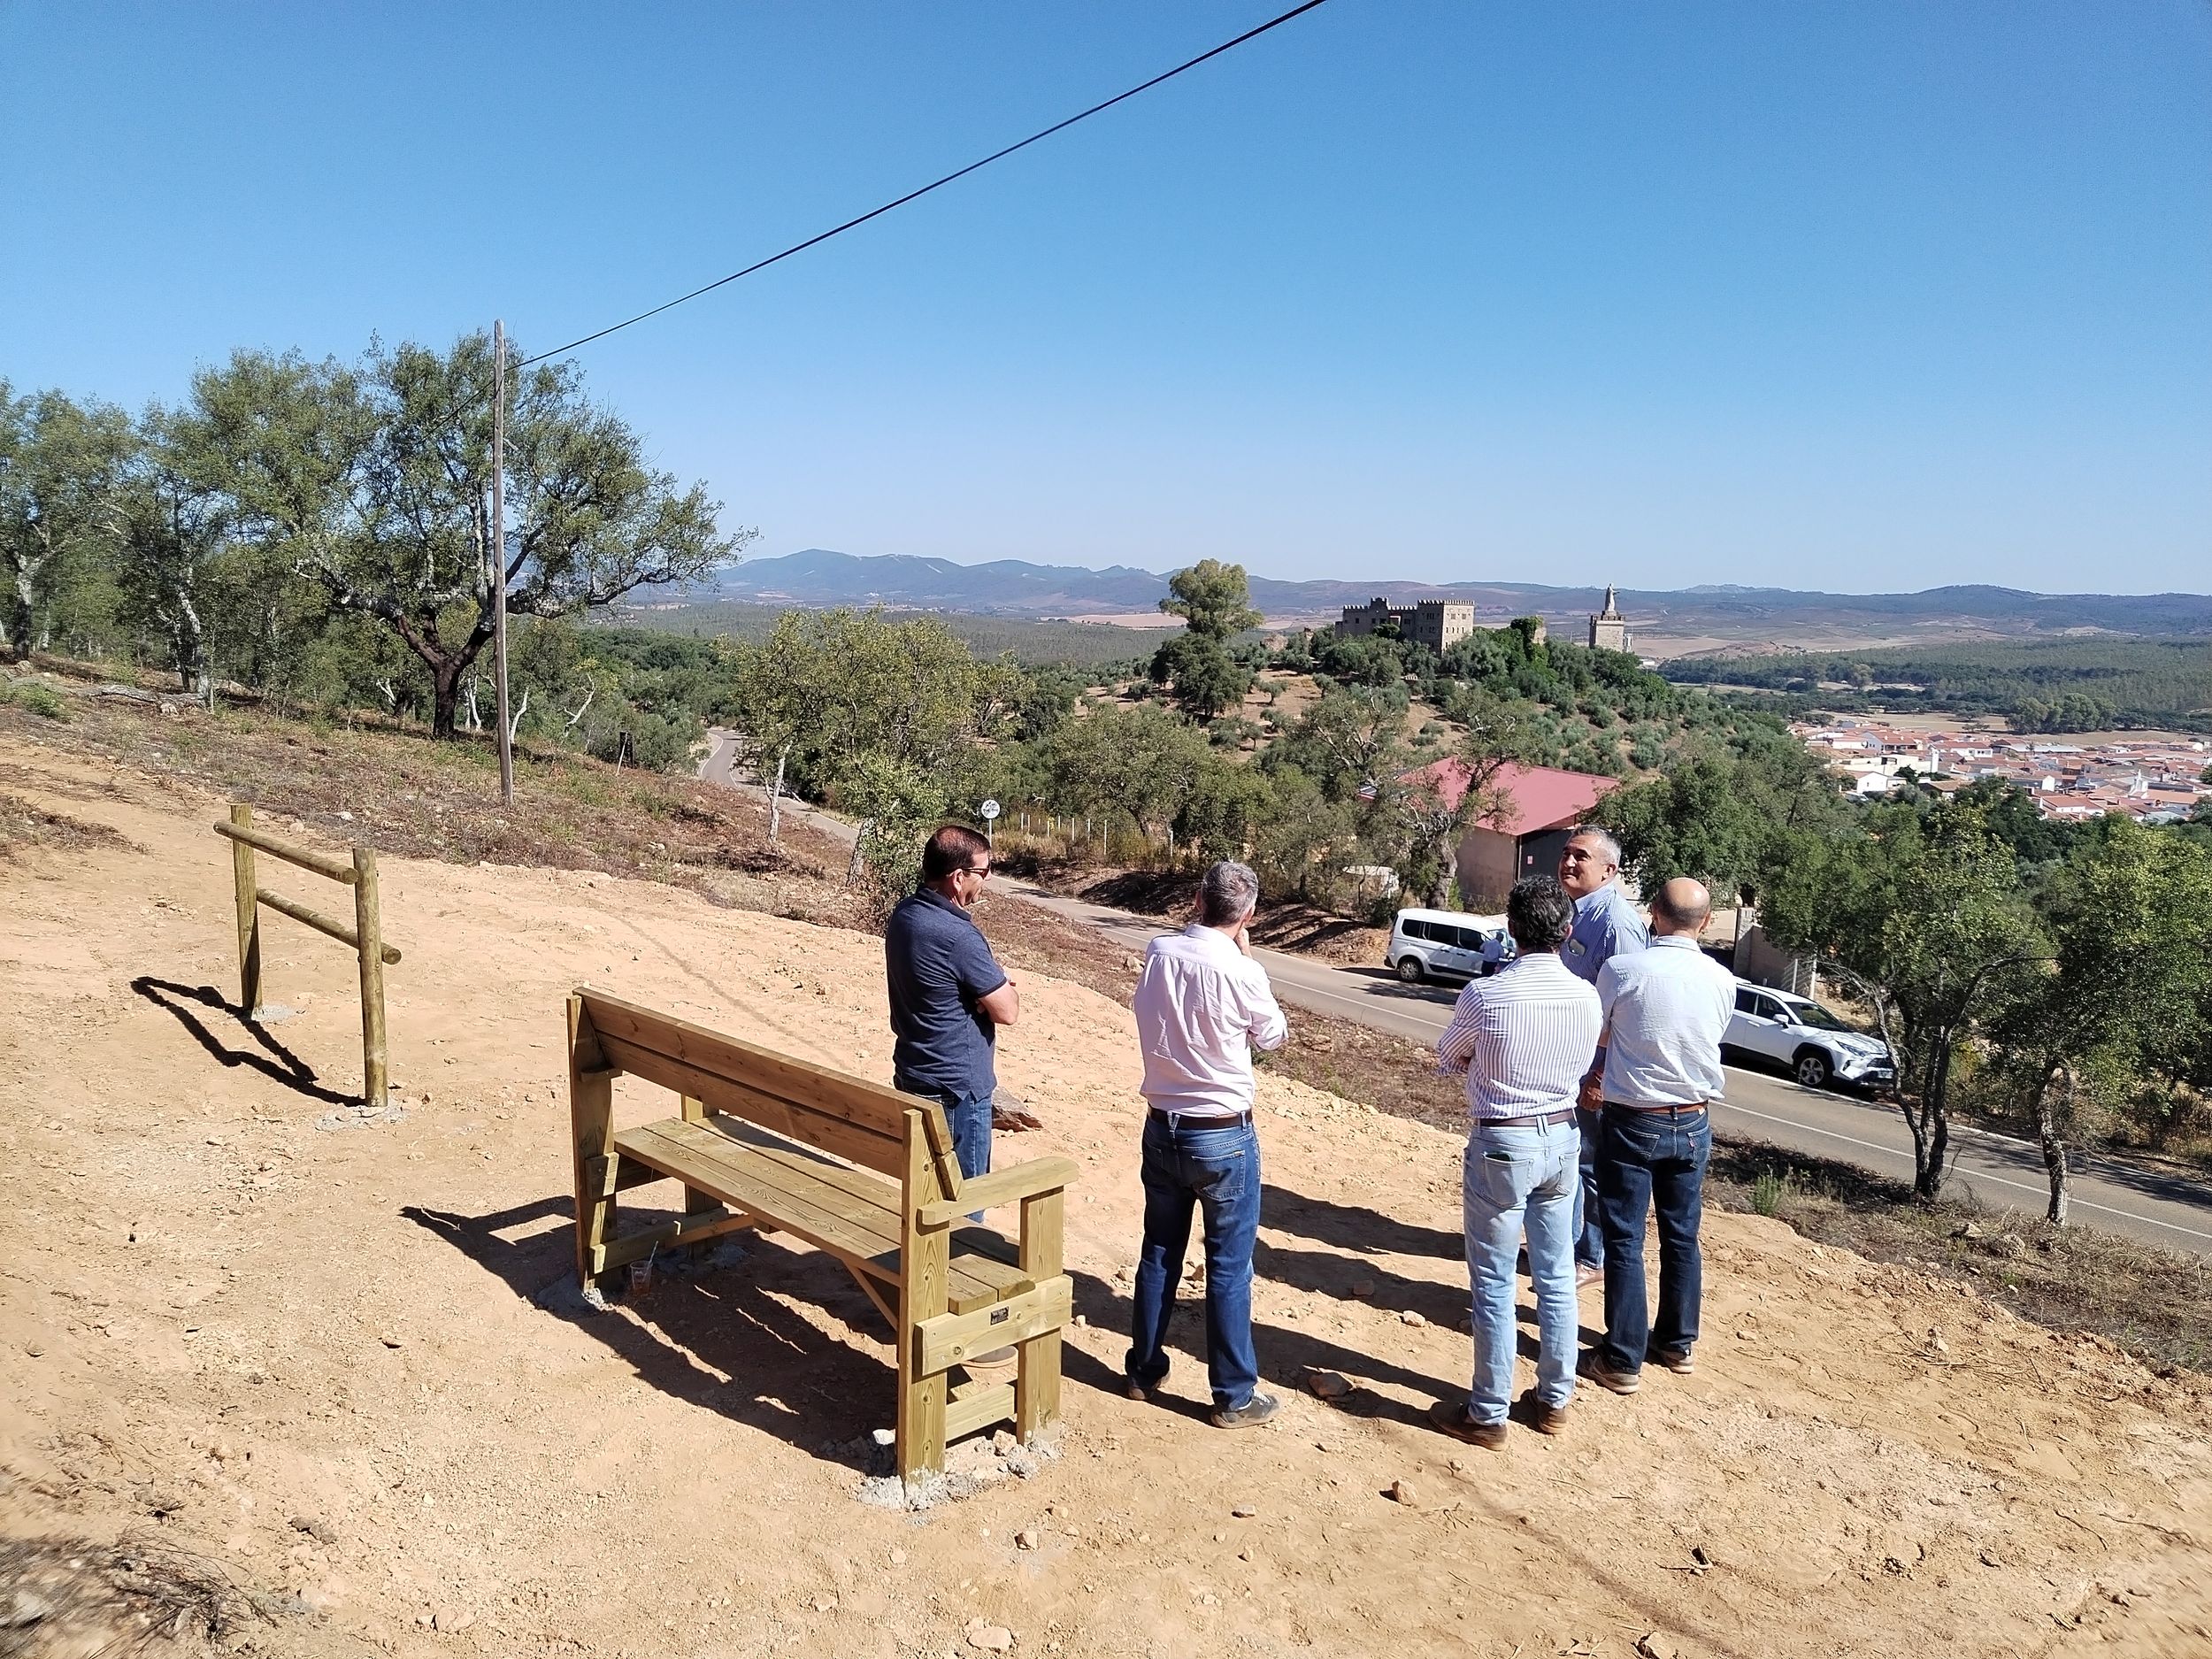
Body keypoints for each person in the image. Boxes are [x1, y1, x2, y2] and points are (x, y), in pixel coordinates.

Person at [1430, 875, 1601, 1447]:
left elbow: (1448, 1055)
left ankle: (1488, 1412)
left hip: (1504, 1141)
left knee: (1495, 1281)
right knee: (1556, 1277)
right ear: (1568, 931)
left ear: (1511, 928)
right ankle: (1555, 1399)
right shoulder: (1586, 994)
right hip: (1563, 1138)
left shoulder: (1488, 994)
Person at [1124, 860, 1288, 1429]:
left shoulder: (1160, 952)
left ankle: (1143, 1368)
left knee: (1159, 1251)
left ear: (1197, 900)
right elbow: (1272, 1037)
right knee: (1228, 1267)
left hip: (1163, 1122)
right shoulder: (1243, 972)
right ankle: (1233, 1393)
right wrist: (1249, 959)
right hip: (1222, 1132)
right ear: (1247, 916)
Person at [1579, 877, 1734, 1394]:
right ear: (1706, 923)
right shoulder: (1721, 979)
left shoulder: (1624, 970)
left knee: (1624, 1237)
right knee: (1682, 1234)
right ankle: (1676, 1342)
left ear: (1652, 915)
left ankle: (1622, 1357)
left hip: (1632, 1117)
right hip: (1693, 1119)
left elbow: (1595, 1031)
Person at [883, 825, 1019, 1183]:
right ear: (958, 878)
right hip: (957, 1089)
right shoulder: (958, 935)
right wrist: (992, 987)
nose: (987, 879)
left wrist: (978, 988)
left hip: (914, 1072)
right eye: (983, 871)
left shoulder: (905, 914)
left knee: (924, 1189)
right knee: (965, 1200)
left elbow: (936, 982)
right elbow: (1008, 1011)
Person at [1558, 826, 1649, 1286]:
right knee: (1570, 1157)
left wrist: (1598, 1074)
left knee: (1592, 1164)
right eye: (1567, 854)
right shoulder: (1575, 912)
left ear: (1609, 871)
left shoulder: (1617, 924)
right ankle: (1565, 1239)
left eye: (1581, 857)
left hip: (1597, 1067)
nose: (1569, 863)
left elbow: (1632, 1007)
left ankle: (1591, 1258)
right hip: (1568, 1061)